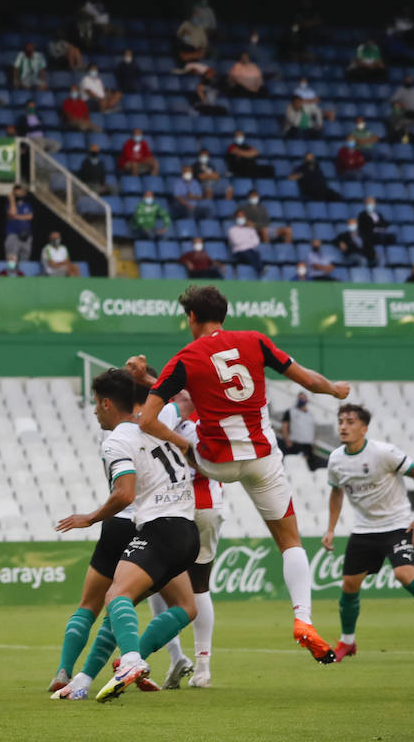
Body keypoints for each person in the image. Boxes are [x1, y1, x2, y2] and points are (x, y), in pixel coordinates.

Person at [130, 285, 352, 665]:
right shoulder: (255, 341)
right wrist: (335, 389)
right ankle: (303, 618)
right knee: (290, 541)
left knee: (184, 430)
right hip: (262, 457)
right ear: (225, 314)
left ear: (192, 318)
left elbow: (149, 420)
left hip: (214, 462)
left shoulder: (185, 357)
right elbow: (310, 382)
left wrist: (184, 446)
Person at [50, 369, 199, 700]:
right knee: (174, 606)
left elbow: (125, 493)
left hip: (154, 527)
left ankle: (130, 660)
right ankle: (84, 680)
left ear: (106, 404)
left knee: (112, 599)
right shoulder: (163, 415)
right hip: (188, 530)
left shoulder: (116, 439)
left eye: (94, 405)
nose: (93, 412)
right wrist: (147, 379)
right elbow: (185, 399)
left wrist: (89, 518)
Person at [322, 403, 414, 661]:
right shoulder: (335, 459)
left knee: (404, 575)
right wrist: (331, 529)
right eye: (341, 421)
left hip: (397, 525)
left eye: (350, 422)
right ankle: (348, 642)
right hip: (364, 530)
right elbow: (336, 493)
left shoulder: (384, 453)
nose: (344, 426)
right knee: (349, 584)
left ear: (364, 428)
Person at [280, 393, 318, 468]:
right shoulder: (291, 411)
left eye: (303, 398)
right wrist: (287, 441)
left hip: (308, 445)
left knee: (308, 468)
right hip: (296, 444)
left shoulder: (310, 415)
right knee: (295, 466)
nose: (302, 400)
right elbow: (284, 426)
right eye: (300, 398)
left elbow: (312, 430)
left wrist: (313, 444)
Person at [3, 185, 34, 262]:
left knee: (25, 258)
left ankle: (24, 273)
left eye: (20, 193)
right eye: (17, 194)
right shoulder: (10, 204)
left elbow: (30, 217)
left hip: (26, 236)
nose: (19, 195)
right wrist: (12, 201)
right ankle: (11, 274)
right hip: (13, 234)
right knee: (11, 258)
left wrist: (16, 216)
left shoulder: (27, 205)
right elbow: (12, 213)